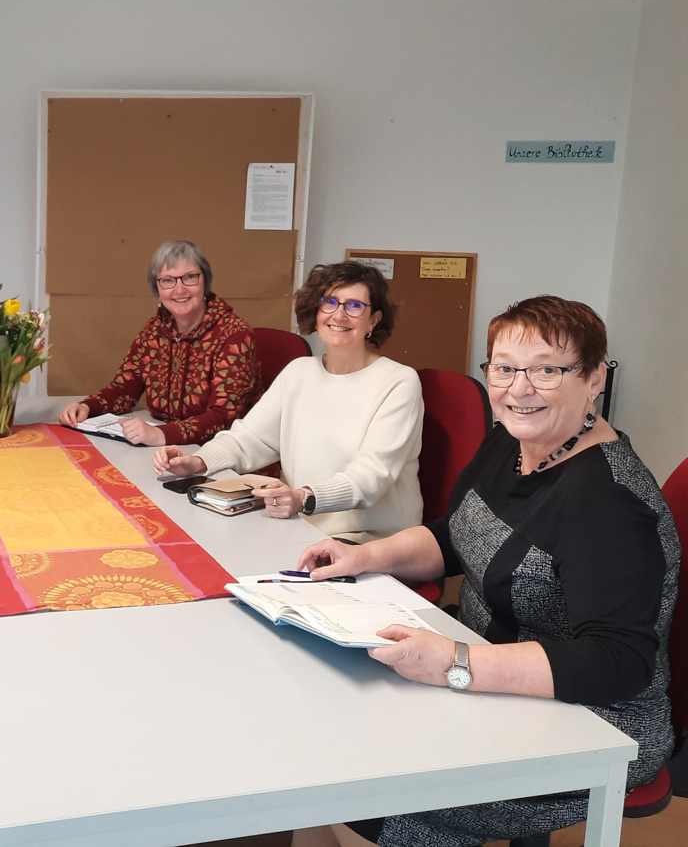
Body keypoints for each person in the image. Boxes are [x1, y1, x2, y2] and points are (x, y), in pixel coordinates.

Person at [296, 295, 679, 847]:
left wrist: (457, 663)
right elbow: (459, 534)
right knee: (323, 744)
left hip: (594, 719)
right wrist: (366, 555)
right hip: (485, 670)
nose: (519, 388)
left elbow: (618, 662)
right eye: (503, 367)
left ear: (594, 378)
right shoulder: (513, 439)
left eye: (547, 369)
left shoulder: (608, 502)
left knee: (363, 794)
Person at [153, 261, 422, 542]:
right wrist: (197, 461)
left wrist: (303, 497)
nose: (339, 315)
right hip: (302, 527)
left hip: (371, 540)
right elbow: (251, 438)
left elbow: (372, 476)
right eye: (330, 302)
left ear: (373, 320)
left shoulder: (398, 382)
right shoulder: (299, 372)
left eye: (354, 306)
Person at [57, 240, 260, 446]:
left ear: (205, 282)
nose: (179, 290)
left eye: (190, 277)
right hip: (168, 451)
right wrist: (88, 407)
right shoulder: (154, 329)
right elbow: (124, 388)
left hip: (228, 456)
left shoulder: (234, 334)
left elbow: (223, 417)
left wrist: (162, 435)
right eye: (168, 280)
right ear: (157, 288)